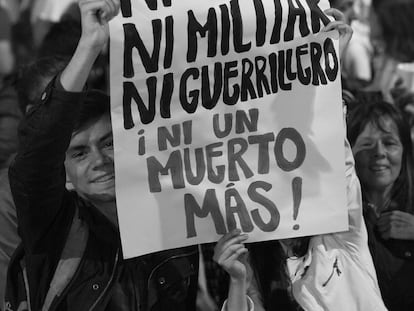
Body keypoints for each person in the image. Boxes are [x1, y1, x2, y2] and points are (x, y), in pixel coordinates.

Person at [4, 1, 199, 310]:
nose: (99, 160)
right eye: (80, 153)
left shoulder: (172, 221)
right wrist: (90, 44)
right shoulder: (54, 229)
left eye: (108, 144)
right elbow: (37, 153)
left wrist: (239, 280)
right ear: (63, 173)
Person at [212, 9, 387, 311]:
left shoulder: (340, 237)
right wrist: (237, 281)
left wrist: (328, 69)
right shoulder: (253, 258)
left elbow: (337, 158)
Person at [347, 99, 414, 310]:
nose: (379, 152)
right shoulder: (336, 216)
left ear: (404, 152)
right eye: (366, 144)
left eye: (390, 143)